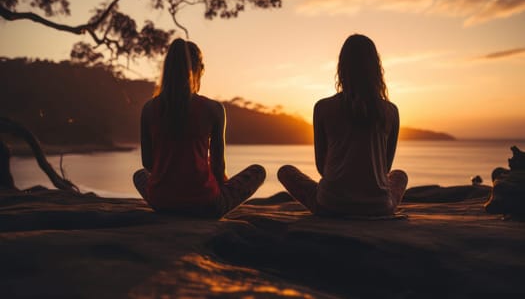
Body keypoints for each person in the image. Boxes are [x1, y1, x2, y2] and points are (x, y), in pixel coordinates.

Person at [133, 38, 265, 217]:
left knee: (139, 175)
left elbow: (148, 163)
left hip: (162, 203)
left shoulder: (149, 109)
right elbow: (218, 167)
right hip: (205, 205)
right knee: (258, 171)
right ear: (199, 69)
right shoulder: (213, 109)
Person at [277, 34, 407, 216]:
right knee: (400, 176)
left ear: (342, 67)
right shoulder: (391, 111)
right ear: (376, 68)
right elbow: (385, 169)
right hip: (378, 207)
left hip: (331, 206)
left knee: (286, 172)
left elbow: (322, 167)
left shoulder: (322, 107)